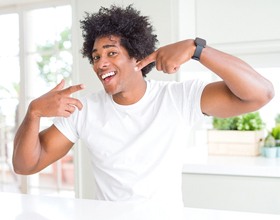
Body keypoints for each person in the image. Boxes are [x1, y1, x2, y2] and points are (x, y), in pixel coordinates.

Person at [13, 5, 274, 205]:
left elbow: (260, 93)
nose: (100, 63)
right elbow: (26, 165)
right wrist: (34, 112)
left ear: (137, 56)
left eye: (111, 52)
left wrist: (197, 50)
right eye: (95, 56)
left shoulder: (179, 98)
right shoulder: (84, 109)